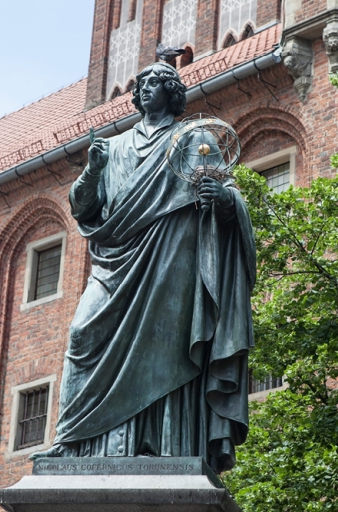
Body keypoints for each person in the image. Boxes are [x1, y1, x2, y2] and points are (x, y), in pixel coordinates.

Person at [31, 62, 255, 473]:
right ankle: (73, 441)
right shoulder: (112, 147)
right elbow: (84, 208)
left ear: (171, 92)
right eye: (142, 83)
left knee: (166, 346)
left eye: (157, 82)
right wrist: (92, 169)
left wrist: (220, 199)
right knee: (82, 334)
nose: (147, 88)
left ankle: (166, 444)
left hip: (171, 260)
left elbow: (227, 198)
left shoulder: (193, 138)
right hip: (115, 262)